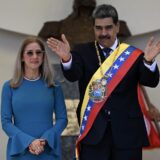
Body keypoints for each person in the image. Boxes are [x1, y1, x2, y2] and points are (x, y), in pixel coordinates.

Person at [47, 4, 160, 160]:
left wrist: (148, 61)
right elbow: (73, 75)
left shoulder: (131, 55)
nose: (103, 33)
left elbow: (150, 81)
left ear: (117, 27)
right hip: (94, 134)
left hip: (127, 135)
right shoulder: (82, 51)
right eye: (98, 28)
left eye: (108, 28)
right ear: (93, 28)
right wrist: (67, 59)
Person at [1, 36, 68, 160]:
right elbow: (6, 122)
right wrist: (29, 141)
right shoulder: (9, 87)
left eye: (38, 53)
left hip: (48, 150)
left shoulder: (54, 85)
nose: (35, 56)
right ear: (22, 57)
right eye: (30, 53)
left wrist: (45, 140)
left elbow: (62, 119)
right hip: (20, 151)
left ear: (43, 57)